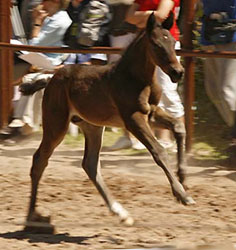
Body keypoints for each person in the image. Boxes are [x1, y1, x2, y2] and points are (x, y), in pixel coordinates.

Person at [109, 0, 185, 151]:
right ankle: (144, 137)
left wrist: (141, 18)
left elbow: (161, 16)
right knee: (139, 90)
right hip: (146, 46)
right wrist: (150, 16)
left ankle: (175, 137)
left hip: (165, 46)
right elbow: (129, 17)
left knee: (167, 90)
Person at [8, 0, 72, 134]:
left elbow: (34, 45)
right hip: (39, 61)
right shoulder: (50, 18)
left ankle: (24, 124)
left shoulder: (60, 20)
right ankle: (13, 118)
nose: (41, 3)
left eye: (45, 1)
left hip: (52, 63)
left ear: (55, 2)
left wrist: (37, 22)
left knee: (32, 79)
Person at [200, 0, 236, 162]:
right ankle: (233, 134)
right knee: (213, 91)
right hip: (210, 35)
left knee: (227, 92)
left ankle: (234, 137)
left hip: (232, 36)